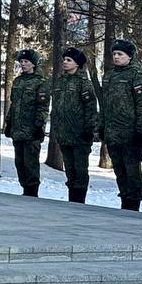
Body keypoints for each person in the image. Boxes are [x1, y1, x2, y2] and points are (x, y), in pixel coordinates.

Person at [98, 39, 142, 210]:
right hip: (113, 134)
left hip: (130, 134)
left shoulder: (138, 76)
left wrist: (140, 131)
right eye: (114, 54)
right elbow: (105, 104)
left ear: (129, 56)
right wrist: (102, 126)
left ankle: (133, 204)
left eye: (120, 54)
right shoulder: (109, 76)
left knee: (132, 171)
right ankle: (125, 201)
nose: (116, 57)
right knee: (119, 171)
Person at [50, 47, 97, 203]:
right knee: (70, 171)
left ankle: (79, 201)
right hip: (64, 134)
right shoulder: (60, 81)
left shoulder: (84, 83)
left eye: (69, 60)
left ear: (77, 64)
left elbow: (90, 108)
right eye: (64, 59)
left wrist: (88, 129)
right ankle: (72, 199)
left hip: (80, 135)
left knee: (80, 171)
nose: (65, 62)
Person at [3, 49, 50, 197]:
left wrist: (39, 126)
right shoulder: (18, 81)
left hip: (31, 130)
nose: (23, 64)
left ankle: (32, 191)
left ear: (34, 64)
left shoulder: (41, 82)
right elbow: (14, 104)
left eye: (26, 62)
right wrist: (9, 123)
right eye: (21, 62)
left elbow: (42, 107)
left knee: (31, 163)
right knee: (20, 163)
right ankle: (24, 188)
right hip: (18, 130)